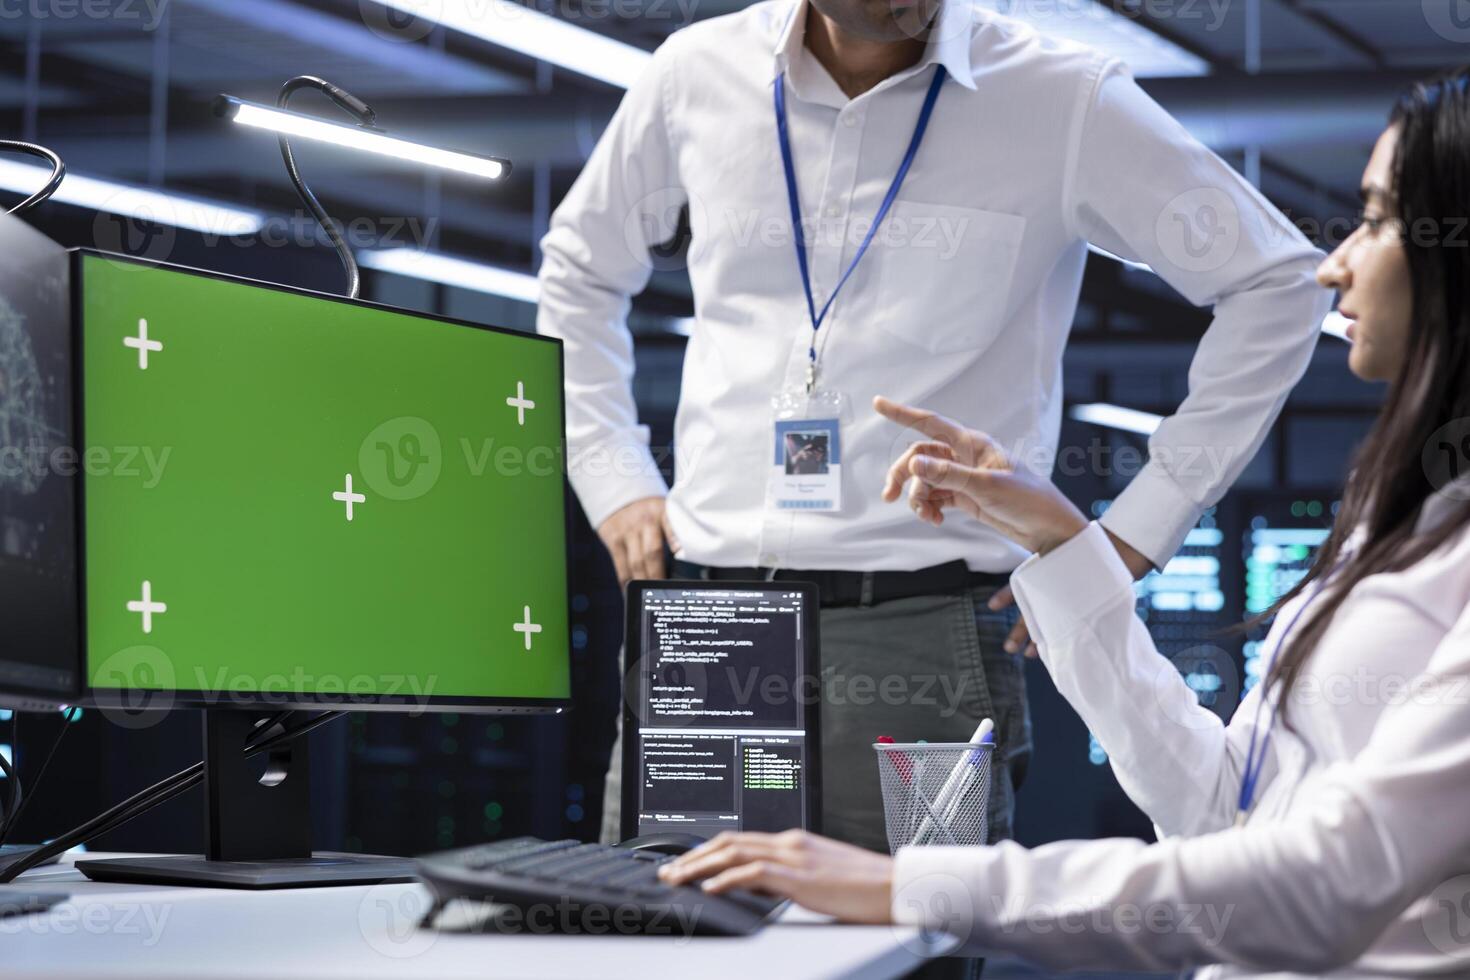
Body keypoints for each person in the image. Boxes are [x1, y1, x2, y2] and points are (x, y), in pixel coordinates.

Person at [657, 70, 1470, 977]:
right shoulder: (1404, 532)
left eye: (1379, 217)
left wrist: (913, 885)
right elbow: (1218, 810)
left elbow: (1322, 889)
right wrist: (1064, 544)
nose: (1336, 260)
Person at [537, 0, 1331, 851]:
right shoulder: (694, 73)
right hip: (712, 630)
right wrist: (613, 474)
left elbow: (1279, 284)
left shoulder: (1060, 96)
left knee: (918, 948)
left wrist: (1135, 531)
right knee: (666, 945)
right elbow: (580, 270)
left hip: (924, 647)